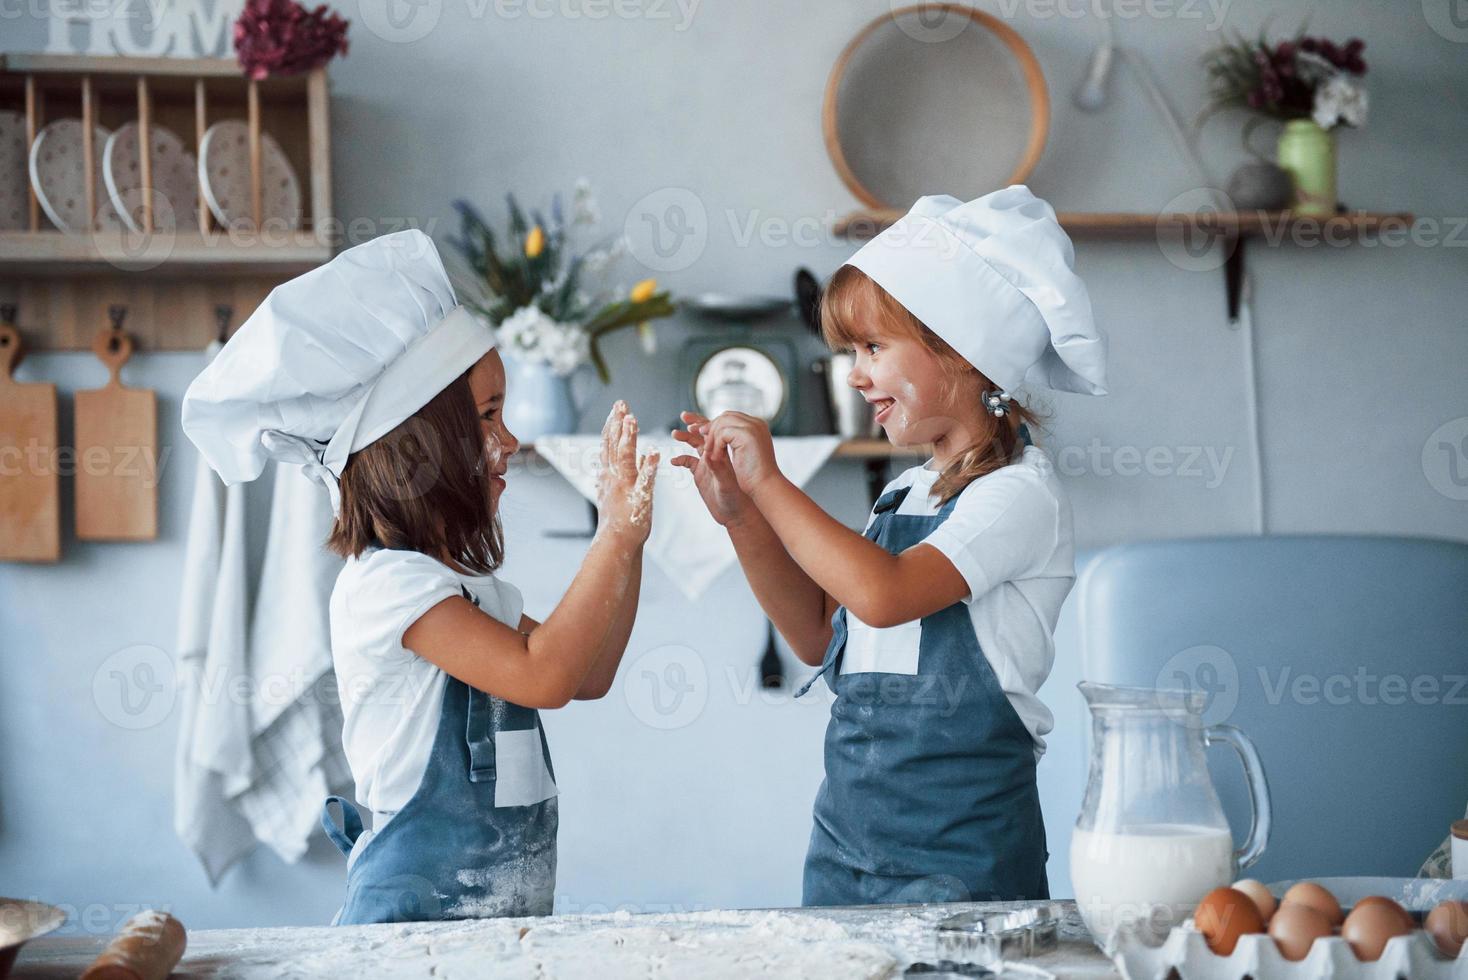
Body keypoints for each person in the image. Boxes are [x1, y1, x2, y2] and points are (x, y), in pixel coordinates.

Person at [182, 230, 658, 923]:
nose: (510, 440)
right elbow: (546, 676)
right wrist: (612, 532)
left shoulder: (467, 589)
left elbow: (589, 672)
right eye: (489, 416)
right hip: (409, 932)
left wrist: (632, 538)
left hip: (500, 927)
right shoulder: (391, 590)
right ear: (421, 448)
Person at [672, 186, 1108, 906]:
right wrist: (742, 515)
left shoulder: (1016, 495)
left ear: (962, 353)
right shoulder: (906, 494)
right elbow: (816, 634)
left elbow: (884, 596)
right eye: (852, 351)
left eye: (874, 347)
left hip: (961, 859)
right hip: (845, 844)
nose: (856, 373)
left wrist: (773, 482)